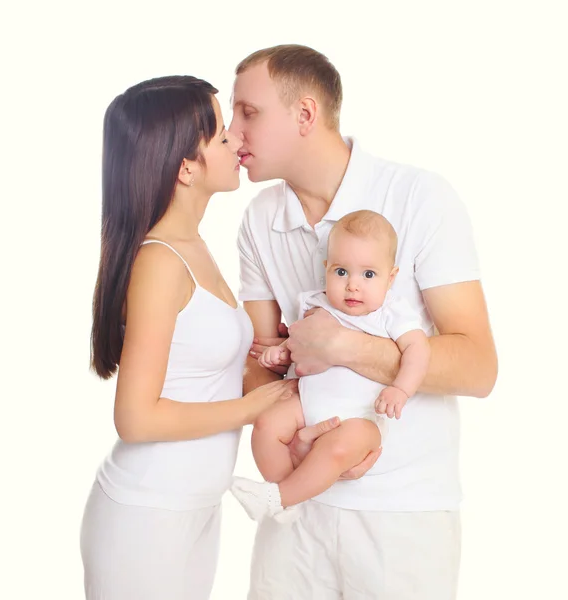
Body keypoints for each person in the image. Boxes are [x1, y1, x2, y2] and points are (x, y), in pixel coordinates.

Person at [229, 44, 498, 599]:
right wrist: (295, 443)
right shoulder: (258, 220)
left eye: (247, 113)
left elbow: (479, 366)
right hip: (294, 509)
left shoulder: (419, 197)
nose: (232, 133)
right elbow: (259, 358)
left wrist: (346, 347)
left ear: (305, 115)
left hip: (401, 516)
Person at [79, 75, 298, 600]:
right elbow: (135, 418)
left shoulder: (193, 245)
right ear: (185, 168)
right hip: (147, 514)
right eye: (222, 136)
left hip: (195, 504)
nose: (238, 142)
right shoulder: (160, 261)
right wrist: (251, 408)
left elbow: (207, 374)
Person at [231, 210, 430, 521]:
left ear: (390, 277)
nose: (352, 286)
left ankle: (277, 498)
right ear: (326, 269)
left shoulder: (391, 313)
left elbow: (418, 349)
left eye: (368, 275)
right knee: (267, 425)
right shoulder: (317, 303)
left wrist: (401, 389)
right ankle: (287, 498)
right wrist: (282, 352)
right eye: (341, 272)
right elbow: (301, 341)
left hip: (360, 419)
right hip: (305, 406)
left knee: (337, 449)